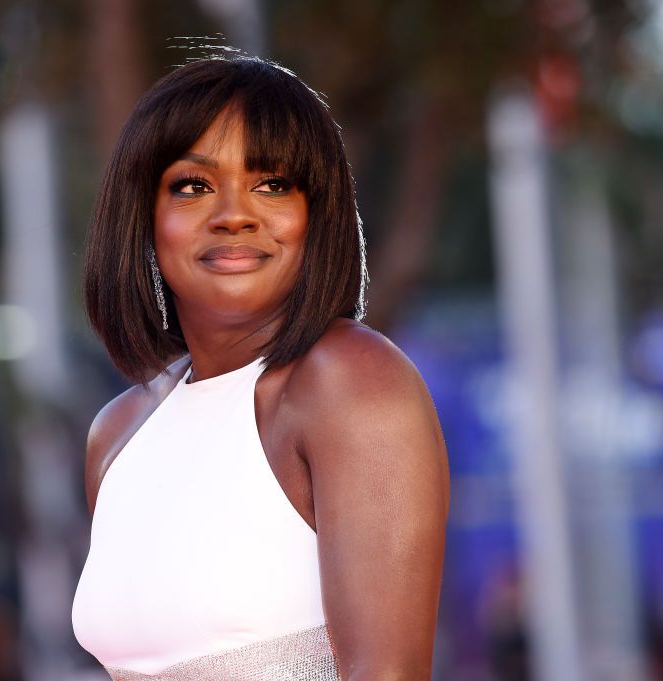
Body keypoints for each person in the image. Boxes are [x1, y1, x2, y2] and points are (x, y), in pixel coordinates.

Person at [72, 54, 450, 681]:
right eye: (191, 186)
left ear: (315, 217)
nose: (234, 213)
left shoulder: (348, 380)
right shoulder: (117, 436)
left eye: (273, 183)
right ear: (143, 218)